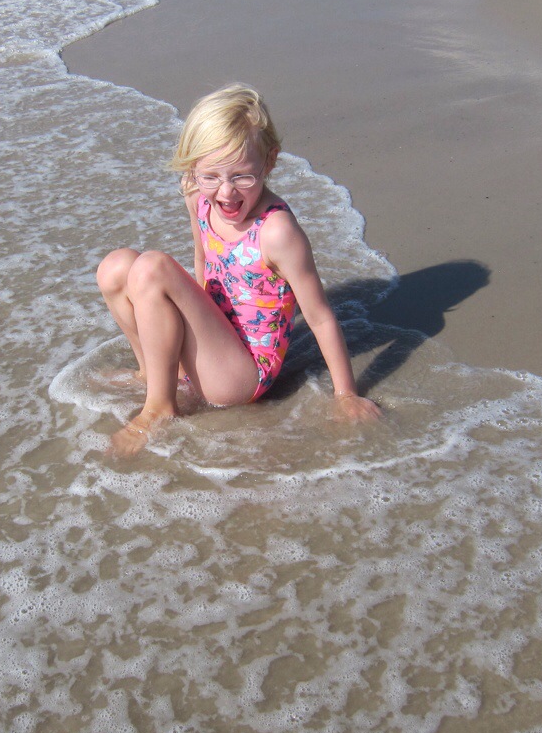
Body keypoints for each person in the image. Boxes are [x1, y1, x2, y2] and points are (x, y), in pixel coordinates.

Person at [97, 84, 383, 456]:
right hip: (211, 349)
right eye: (211, 176)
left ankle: (160, 408)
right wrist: (191, 327)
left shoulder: (277, 232)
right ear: (192, 168)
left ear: (269, 161)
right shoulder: (196, 195)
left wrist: (346, 395)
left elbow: (320, 317)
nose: (226, 193)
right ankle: (152, 373)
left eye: (242, 177)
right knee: (116, 266)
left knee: (152, 267)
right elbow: (203, 262)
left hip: (241, 376)